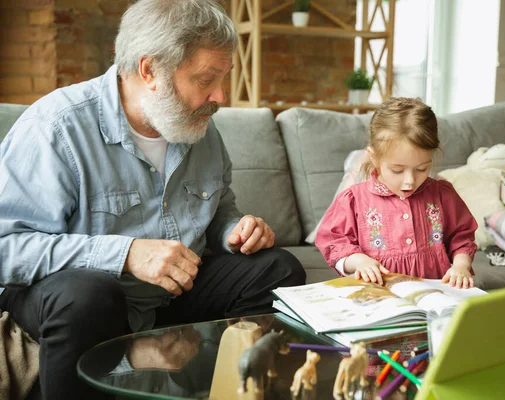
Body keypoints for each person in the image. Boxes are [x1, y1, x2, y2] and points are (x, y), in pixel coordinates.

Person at [0, 0, 305, 398]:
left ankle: (224, 388)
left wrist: (235, 231)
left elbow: (218, 209)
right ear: (149, 71)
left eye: (224, 77)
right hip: (84, 301)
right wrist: (125, 254)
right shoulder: (56, 127)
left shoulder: (200, 128)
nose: (220, 95)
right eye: (206, 78)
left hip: (168, 295)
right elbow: (7, 247)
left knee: (279, 269)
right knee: (87, 296)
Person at [315, 97, 477, 288]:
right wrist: (358, 261)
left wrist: (461, 266)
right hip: (377, 297)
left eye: (422, 169)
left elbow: (461, 236)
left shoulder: (442, 195)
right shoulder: (353, 200)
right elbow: (333, 242)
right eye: (397, 170)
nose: (410, 180)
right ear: (374, 157)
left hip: (434, 294)